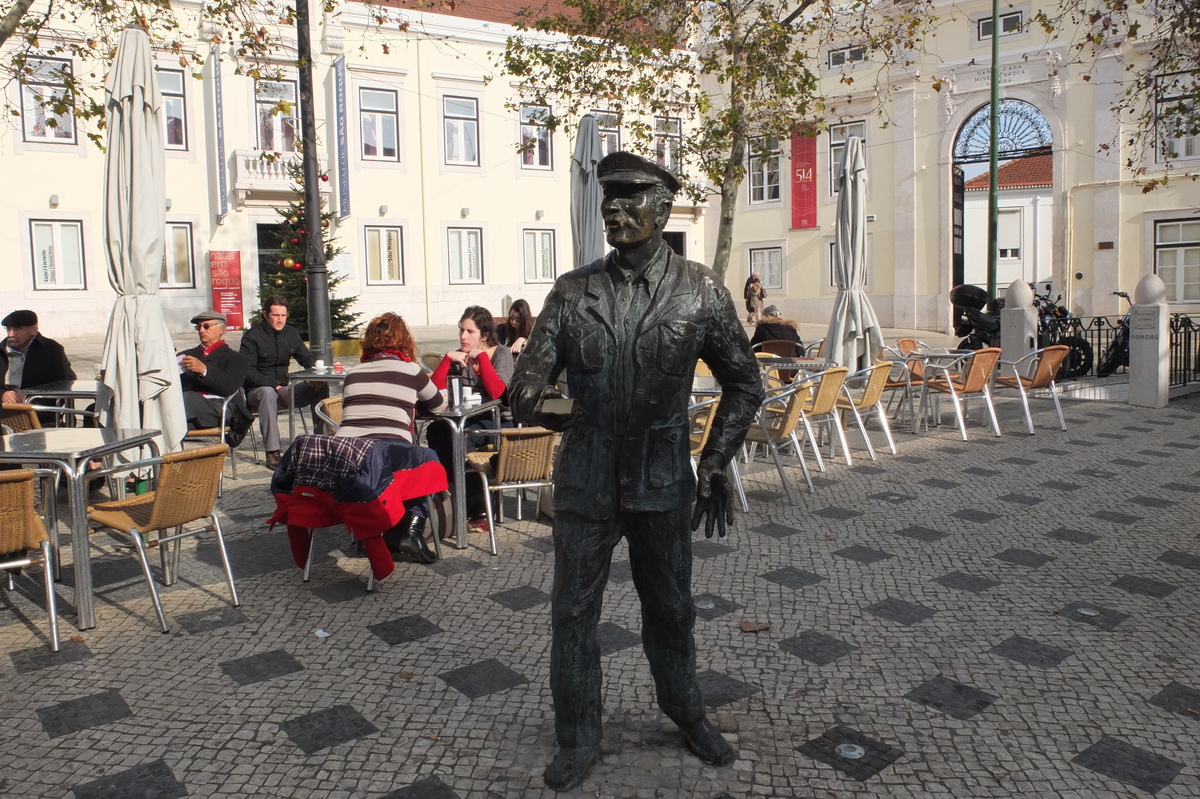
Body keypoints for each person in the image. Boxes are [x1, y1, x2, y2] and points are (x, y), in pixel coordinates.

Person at [508, 152, 763, 791]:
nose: (615, 210)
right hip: (587, 481)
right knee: (572, 614)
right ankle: (579, 736)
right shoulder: (572, 292)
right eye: (609, 201)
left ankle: (686, 711)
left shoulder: (700, 291)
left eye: (631, 198)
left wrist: (714, 461)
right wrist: (561, 407)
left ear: (664, 207)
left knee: (672, 609)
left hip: (661, 482)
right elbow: (525, 389)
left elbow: (744, 383)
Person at [335, 312, 446, 563]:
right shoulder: (410, 370)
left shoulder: (353, 372)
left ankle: (373, 532)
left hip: (347, 453)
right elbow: (438, 406)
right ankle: (411, 531)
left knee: (405, 460)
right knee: (425, 462)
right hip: (387, 450)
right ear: (404, 340)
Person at [427, 306, 515, 534]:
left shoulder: (500, 353)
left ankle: (477, 508)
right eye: (461, 331)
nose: (463, 337)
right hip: (464, 419)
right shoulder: (458, 356)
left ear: (484, 335)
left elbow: (498, 394)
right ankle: (449, 497)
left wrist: (483, 360)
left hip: (498, 421)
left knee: (463, 438)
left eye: (470, 332)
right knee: (436, 431)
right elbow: (433, 391)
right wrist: (447, 360)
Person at [240, 296, 326, 471]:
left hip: (286, 390)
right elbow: (247, 372)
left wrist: (315, 374)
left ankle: (323, 442)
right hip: (258, 392)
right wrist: (276, 386)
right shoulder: (251, 337)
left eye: (283, 315)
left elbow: (306, 358)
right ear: (265, 315)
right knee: (268, 393)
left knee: (320, 385)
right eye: (275, 315)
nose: (280, 320)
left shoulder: (291, 333)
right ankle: (273, 452)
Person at [178, 310, 252, 445]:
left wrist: (204, 370)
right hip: (188, 413)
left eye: (206, 326)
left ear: (221, 329)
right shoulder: (186, 356)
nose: (201, 330)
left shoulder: (235, 358)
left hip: (220, 408)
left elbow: (229, 387)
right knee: (161, 411)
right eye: (198, 327)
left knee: (184, 400)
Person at [1, 309, 75, 404]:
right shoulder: (1, 350)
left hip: (39, 408)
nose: (11, 334)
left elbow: (65, 381)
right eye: (8, 329)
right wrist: (3, 394)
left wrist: (31, 397)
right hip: (5, 408)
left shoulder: (51, 349)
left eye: (17, 329)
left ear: (34, 330)